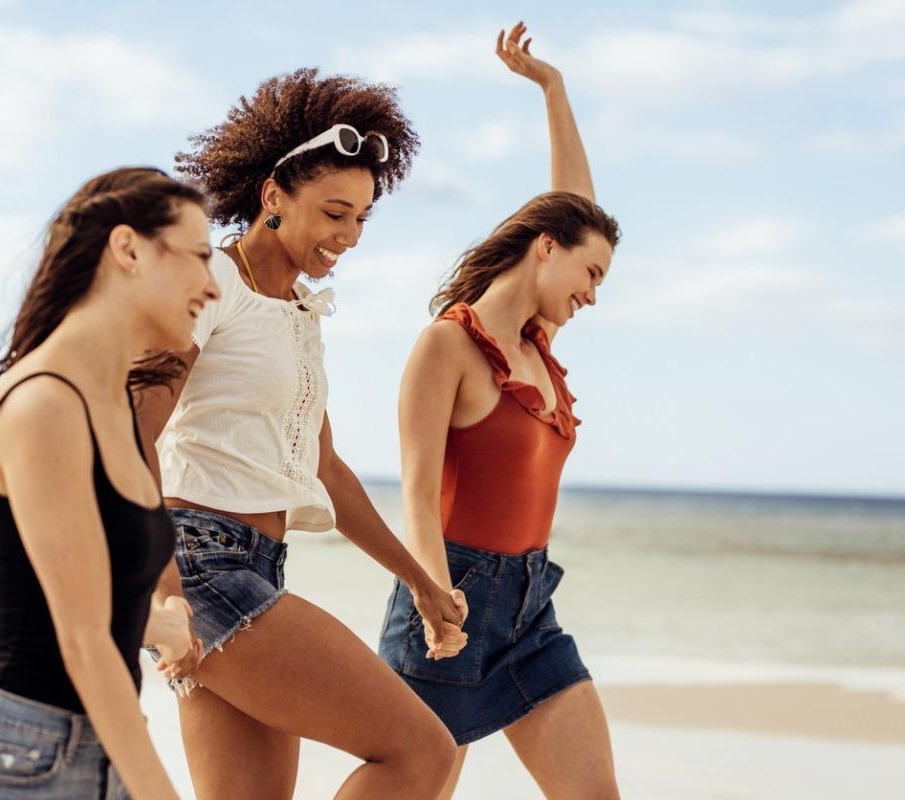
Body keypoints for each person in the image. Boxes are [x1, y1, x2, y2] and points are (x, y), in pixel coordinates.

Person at [134, 69, 465, 799]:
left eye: (359, 220)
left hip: (258, 564)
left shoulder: (298, 315)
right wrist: (161, 586)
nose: (345, 237)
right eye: (332, 213)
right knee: (422, 754)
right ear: (273, 196)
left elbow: (328, 471)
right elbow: (137, 427)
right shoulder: (213, 282)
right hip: (200, 566)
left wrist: (419, 582)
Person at [0, 167, 216, 799]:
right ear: (128, 249)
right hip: (10, 762)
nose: (212, 287)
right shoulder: (45, 405)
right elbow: (81, 640)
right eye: (200, 258)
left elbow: (84, 605)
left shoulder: (112, 403)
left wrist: (160, 625)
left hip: (90, 750)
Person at [377, 23, 623, 799]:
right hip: (450, 601)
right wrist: (434, 602)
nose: (593, 293)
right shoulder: (449, 347)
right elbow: (415, 492)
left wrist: (553, 88)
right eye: (591, 272)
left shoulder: (538, 344)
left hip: (530, 608)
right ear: (546, 248)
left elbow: (575, 201)